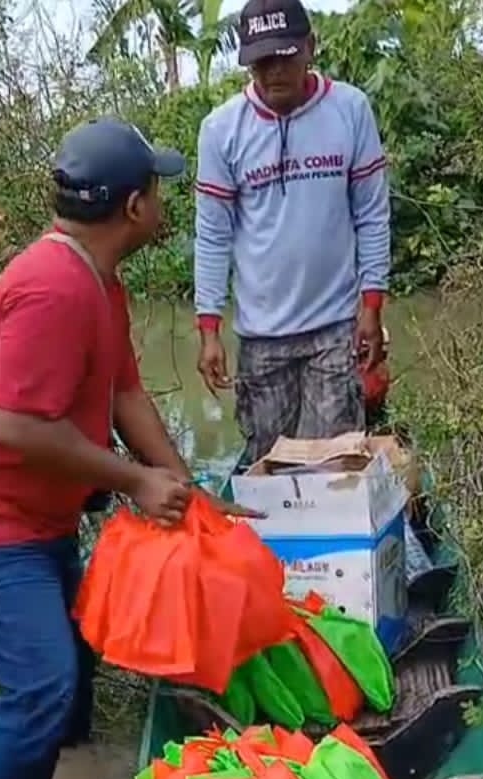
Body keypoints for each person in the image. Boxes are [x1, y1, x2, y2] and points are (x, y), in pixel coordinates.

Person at [0, 118, 197, 779]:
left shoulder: (99, 281)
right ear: (134, 208)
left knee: (79, 650)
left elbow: (125, 392)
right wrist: (135, 480)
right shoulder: (53, 287)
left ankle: (67, 761)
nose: (164, 200)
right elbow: (14, 425)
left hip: (33, 512)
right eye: (158, 188)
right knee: (42, 681)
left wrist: (180, 482)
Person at [194, 0, 391, 464]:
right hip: (261, 337)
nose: (273, 72)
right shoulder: (221, 130)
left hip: (336, 327)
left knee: (333, 463)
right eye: (261, 61)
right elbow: (213, 236)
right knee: (269, 467)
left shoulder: (350, 109)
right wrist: (208, 329)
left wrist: (372, 305)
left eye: (283, 56)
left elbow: (372, 214)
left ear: (310, 47)